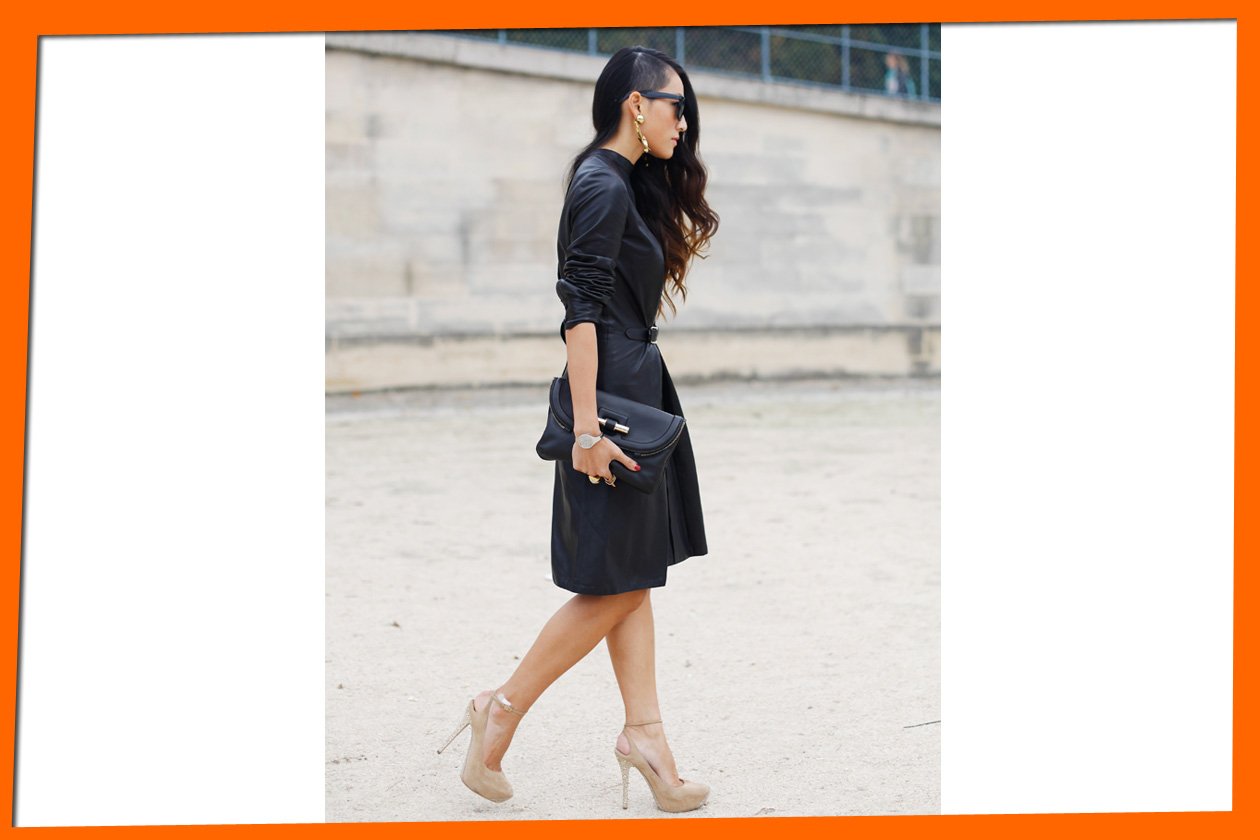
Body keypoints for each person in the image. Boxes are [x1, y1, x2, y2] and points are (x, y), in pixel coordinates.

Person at [436, 45, 720, 813]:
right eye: (675, 107)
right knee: (612, 585)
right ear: (636, 104)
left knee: (631, 573)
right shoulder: (600, 182)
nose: (683, 123)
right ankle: (500, 708)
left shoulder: (621, 180)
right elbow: (580, 314)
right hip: (612, 397)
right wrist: (588, 430)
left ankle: (646, 736)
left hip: (632, 384)